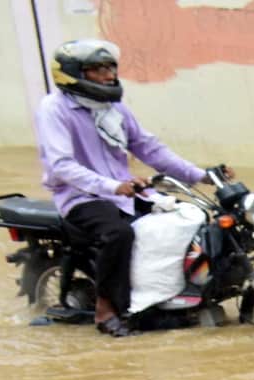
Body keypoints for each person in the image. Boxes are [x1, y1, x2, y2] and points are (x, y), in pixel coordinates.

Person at [32, 39, 213, 337]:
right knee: (118, 234)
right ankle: (106, 309)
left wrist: (201, 175)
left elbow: (149, 148)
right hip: (80, 196)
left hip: (124, 192)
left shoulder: (113, 108)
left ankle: (168, 297)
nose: (109, 75)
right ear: (73, 74)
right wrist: (113, 186)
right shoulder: (54, 109)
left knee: (186, 215)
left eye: (111, 67)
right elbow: (62, 165)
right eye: (97, 69)